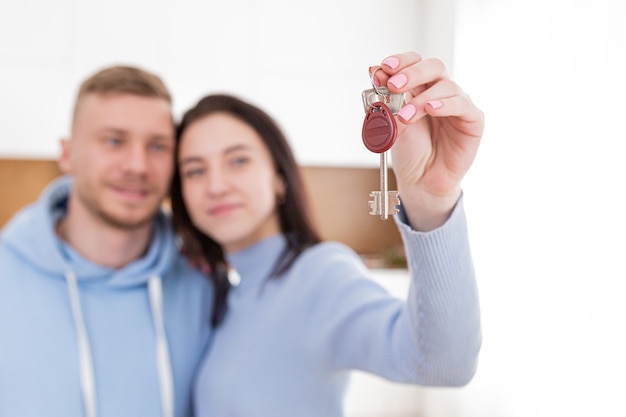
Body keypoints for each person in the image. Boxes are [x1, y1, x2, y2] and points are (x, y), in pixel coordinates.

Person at [170, 51, 483, 417]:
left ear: (280, 178)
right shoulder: (220, 292)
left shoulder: (319, 274)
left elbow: (442, 363)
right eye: (194, 171)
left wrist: (431, 201)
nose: (216, 185)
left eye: (238, 160)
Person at [0, 66, 213, 417]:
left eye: (157, 146)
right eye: (114, 141)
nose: (137, 165)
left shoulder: (204, 286)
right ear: (67, 154)